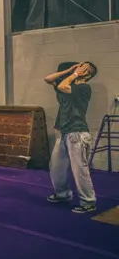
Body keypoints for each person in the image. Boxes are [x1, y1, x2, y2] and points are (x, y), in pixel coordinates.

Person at [44, 62, 98, 214]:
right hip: (63, 132)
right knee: (56, 167)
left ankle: (88, 201)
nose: (78, 67)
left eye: (82, 66)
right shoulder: (69, 83)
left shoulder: (83, 88)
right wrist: (69, 70)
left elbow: (61, 87)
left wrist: (74, 75)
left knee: (79, 169)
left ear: (87, 73)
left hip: (77, 133)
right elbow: (48, 79)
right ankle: (62, 194)